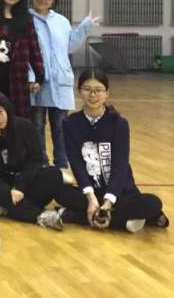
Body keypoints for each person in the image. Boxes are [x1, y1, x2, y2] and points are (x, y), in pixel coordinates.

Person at [62, 70, 168, 233]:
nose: (93, 95)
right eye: (87, 89)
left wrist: (107, 203)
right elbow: (76, 164)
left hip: (119, 192)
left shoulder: (119, 124)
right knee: (59, 192)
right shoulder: (70, 123)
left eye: (98, 90)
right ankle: (124, 221)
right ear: (79, 91)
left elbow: (121, 166)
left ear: (107, 93)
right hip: (92, 193)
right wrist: (91, 198)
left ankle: (77, 216)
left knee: (153, 202)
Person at [0, 91, 83, 230]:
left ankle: (6, 208)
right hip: (5, 188)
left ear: (7, 109)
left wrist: (20, 187)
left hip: (27, 183)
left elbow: (36, 160)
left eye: (0, 111)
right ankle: (40, 215)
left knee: (53, 173)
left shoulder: (25, 127)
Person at [29, 0, 97, 169]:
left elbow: (70, 45)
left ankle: (62, 164)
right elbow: (23, 53)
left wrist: (84, 27)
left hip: (60, 81)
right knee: (37, 127)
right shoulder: (25, 19)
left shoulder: (61, 21)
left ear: (54, 1)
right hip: (37, 82)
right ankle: (41, 164)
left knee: (61, 127)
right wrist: (30, 77)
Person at [0, 0, 45, 119]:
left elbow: (34, 49)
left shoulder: (26, 18)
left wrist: (39, 76)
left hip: (17, 77)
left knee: (18, 119)